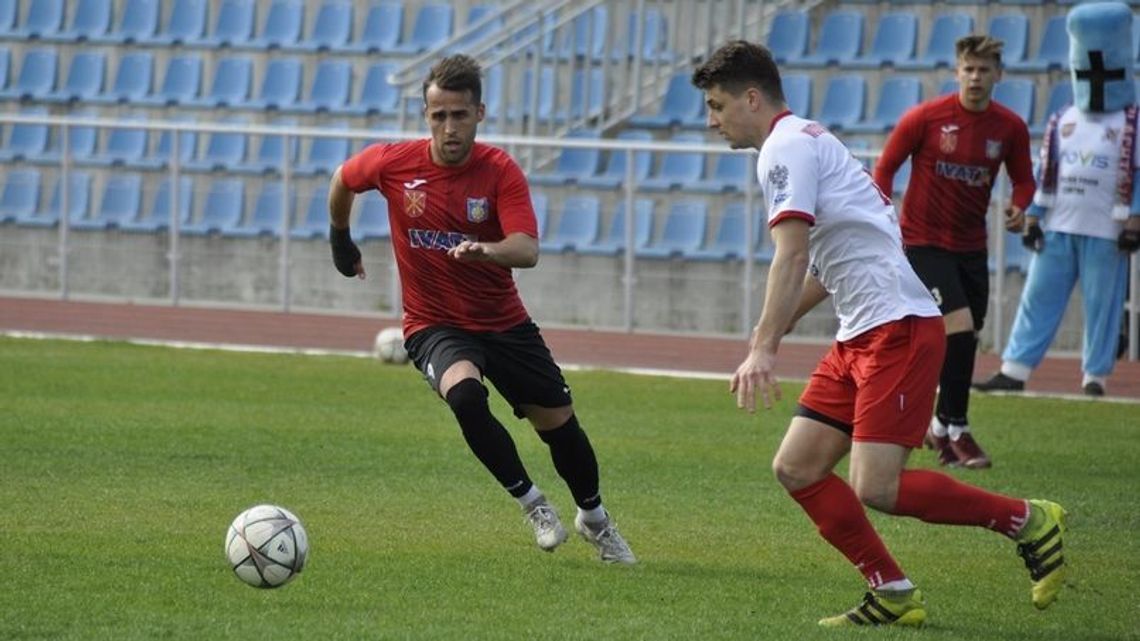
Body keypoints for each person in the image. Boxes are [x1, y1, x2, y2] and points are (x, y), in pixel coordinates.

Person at [693, 40, 1067, 627]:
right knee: (797, 466)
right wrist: (778, 326)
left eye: (716, 106)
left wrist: (765, 346)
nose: (711, 121)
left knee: (877, 486)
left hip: (898, 330)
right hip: (862, 332)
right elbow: (828, 261)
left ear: (750, 97)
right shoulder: (812, 138)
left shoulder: (783, 150)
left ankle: (1026, 519)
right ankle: (891, 590)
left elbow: (789, 257)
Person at [325, 54, 634, 564]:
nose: (448, 127)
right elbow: (342, 179)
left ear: (480, 113)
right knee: (465, 396)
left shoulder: (499, 171)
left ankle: (595, 519)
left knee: (560, 427)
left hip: (504, 323)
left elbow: (527, 249)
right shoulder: (393, 163)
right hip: (433, 324)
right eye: (438, 115)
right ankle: (532, 503)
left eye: (459, 115)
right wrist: (341, 240)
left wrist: (485, 249)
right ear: (426, 116)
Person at [873, 36, 1036, 469]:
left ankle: (940, 430)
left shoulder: (1009, 128)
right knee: (959, 328)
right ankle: (959, 428)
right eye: (969, 69)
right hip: (924, 243)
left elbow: (1024, 179)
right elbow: (886, 167)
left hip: (971, 248)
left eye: (984, 70)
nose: (976, 77)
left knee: (963, 339)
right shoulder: (926, 118)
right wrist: (881, 216)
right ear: (957, 72)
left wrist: (1020, 206)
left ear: (998, 75)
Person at [975, 1, 1140, 397]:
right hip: (1059, 226)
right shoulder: (1063, 118)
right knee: (1038, 297)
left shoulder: (1132, 120)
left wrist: (1134, 220)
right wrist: (1033, 217)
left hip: (1106, 231)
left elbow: (1137, 175)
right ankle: (1014, 369)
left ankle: (1094, 378)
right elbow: (1046, 173)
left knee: (1103, 306)